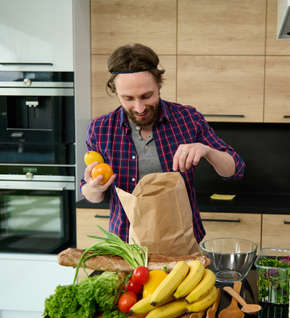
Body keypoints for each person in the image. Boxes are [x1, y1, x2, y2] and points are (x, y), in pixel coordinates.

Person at [81, 43, 245, 243]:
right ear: (115, 92)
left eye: (146, 96)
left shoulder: (187, 118)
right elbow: (91, 194)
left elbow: (234, 169)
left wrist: (206, 150)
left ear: (159, 85)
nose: (139, 108)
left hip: (182, 240)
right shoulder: (101, 129)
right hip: (125, 243)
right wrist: (94, 189)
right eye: (128, 99)